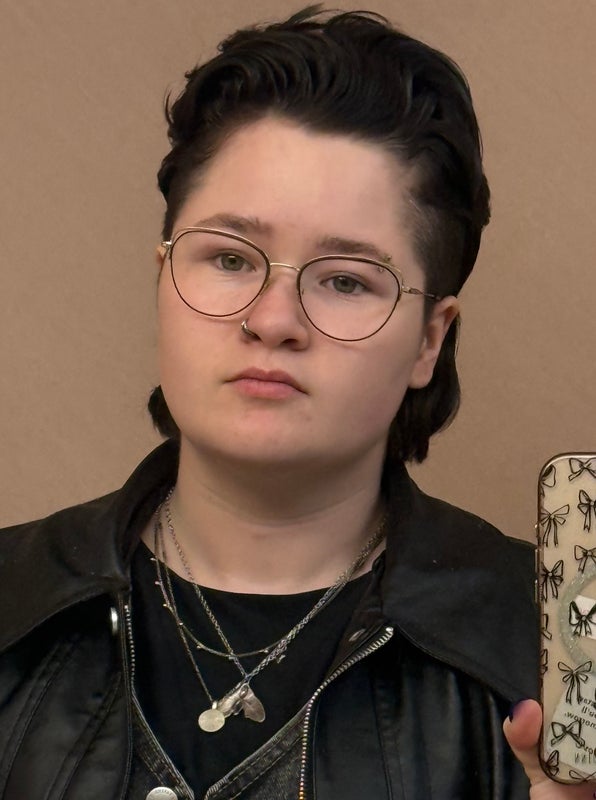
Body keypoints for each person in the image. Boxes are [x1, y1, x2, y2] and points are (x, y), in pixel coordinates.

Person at [0, 6, 577, 799]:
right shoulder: (14, 603)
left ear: (427, 340)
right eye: (230, 259)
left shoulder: (544, 657)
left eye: (345, 280)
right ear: (163, 280)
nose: (272, 321)